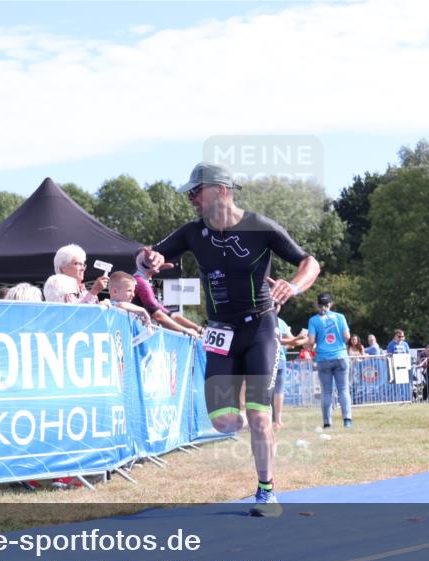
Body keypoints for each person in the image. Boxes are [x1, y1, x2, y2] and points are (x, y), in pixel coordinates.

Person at [136, 162, 320, 516]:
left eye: (196, 190)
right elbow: (146, 257)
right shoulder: (192, 233)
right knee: (222, 421)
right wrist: (149, 258)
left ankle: (266, 491)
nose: (190, 197)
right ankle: (249, 418)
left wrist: (293, 285)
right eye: (189, 191)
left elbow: (309, 262)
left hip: (260, 328)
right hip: (220, 331)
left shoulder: (260, 228)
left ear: (221, 190)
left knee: (260, 416)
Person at [308, 292, 353, 430]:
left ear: (318, 305)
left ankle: (327, 422)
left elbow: (310, 342)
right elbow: (347, 337)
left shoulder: (313, 320)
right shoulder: (340, 317)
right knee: (343, 389)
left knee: (326, 392)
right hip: (340, 356)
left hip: (323, 358)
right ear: (330, 304)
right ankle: (347, 420)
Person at [132, 265, 203, 336]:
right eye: (158, 262)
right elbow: (159, 317)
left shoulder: (143, 281)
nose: (161, 266)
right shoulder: (142, 283)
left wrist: (198, 329)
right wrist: (185, 330)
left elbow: (171, 315)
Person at [272, 304, 304, 429]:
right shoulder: (279, 322)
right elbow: (291, 341)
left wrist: (300, 340)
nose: (277, 307)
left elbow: (291, 342)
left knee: (270, 391)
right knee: (277, 391)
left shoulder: (260, 319)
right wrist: (300, 339)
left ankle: (272, 420)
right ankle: (277, 421)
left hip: (268, 359)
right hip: (275, 359)